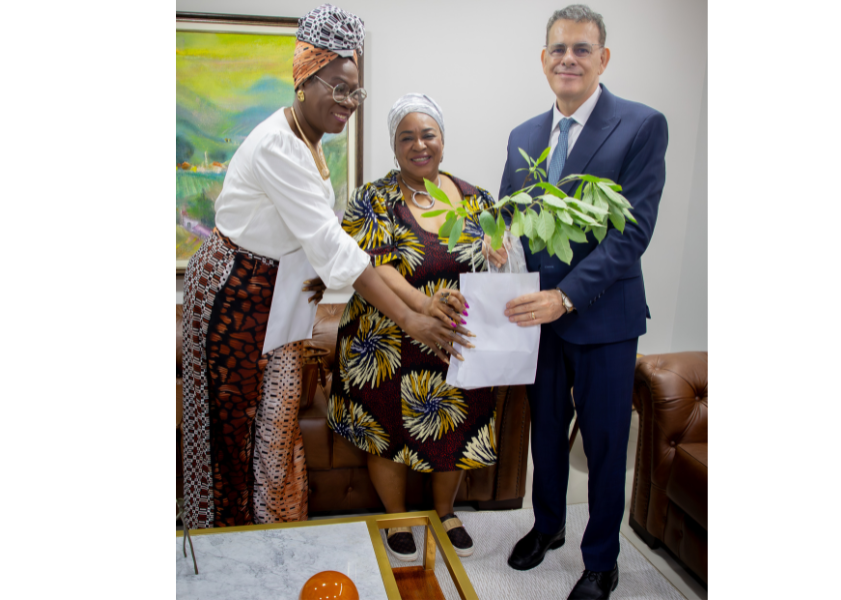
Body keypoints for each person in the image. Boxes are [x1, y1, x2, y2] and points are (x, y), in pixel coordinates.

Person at [182, 5, 469, 530]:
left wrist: (421, 303)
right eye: (337, 88)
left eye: (355, 92)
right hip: (233, 294)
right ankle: (231, 549)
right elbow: (334, 247)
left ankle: (276, 536)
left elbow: (333, 245)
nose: (347, 102)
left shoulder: (311, 143)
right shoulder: (277, 145)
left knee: (277, 430)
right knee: (233, 435)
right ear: (302, 79)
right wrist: (412, 319)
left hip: (279, 295)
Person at [494, 6, 668, 599]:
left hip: (604, 319)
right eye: (559, 49)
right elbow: (509, 218)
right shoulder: (523, 135)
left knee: (604, 444)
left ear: (603, 58)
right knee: (544, 434)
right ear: (544, 59)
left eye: (582, 49)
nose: (568, 59)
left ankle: (602, 560)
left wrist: (564, 298)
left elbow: (632, 235)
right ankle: (548, 527)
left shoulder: (641, 126)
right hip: (536, 323)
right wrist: (496, 243)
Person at [328, 93, 498, 561]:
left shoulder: (478, 200)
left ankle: (445, 512)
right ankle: (398, 516)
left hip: (454, 341)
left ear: (442, 139)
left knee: (456, 425)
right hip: (384, 339)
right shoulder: (373, 198)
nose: (419, 145)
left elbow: (495, 267)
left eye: (428, 135)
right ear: (394, 145)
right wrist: (423, 305)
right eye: (406, 137)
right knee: (384, 431)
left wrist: (502, 254)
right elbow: (373, 266)